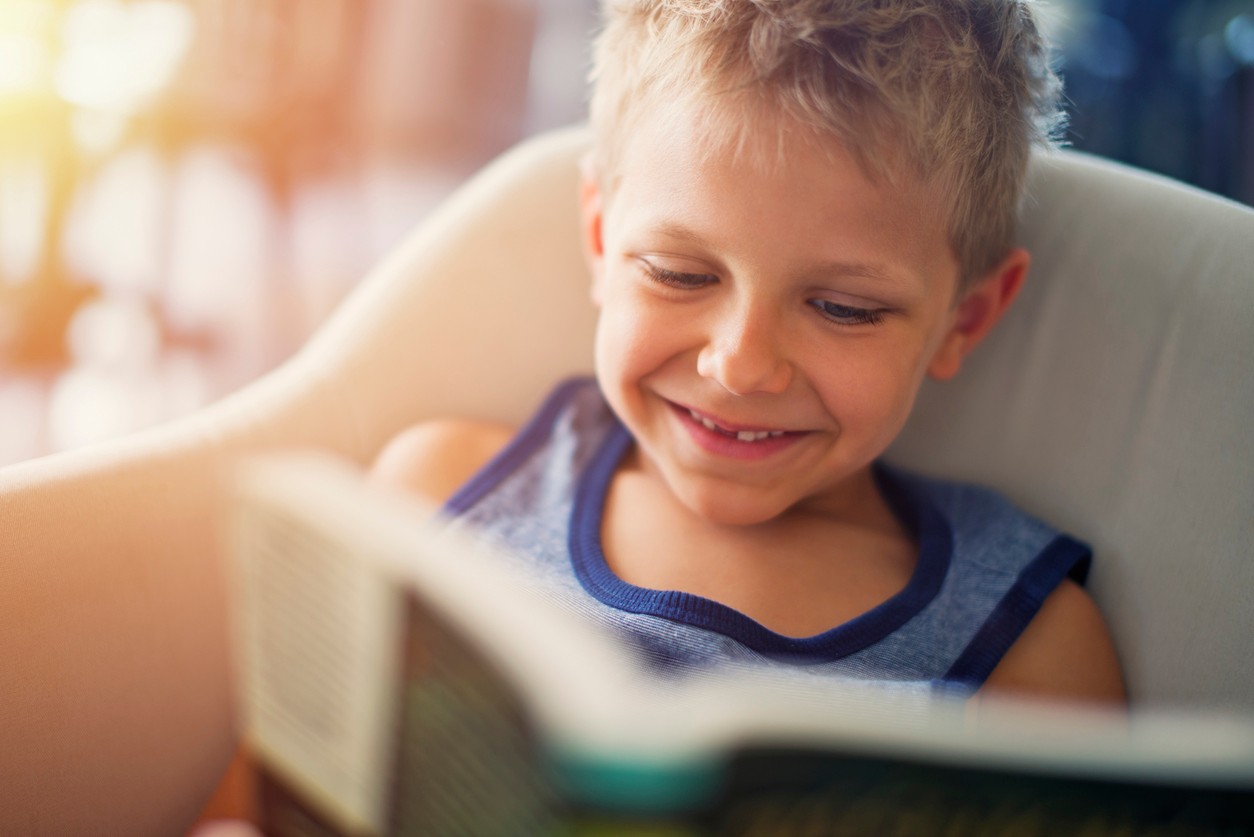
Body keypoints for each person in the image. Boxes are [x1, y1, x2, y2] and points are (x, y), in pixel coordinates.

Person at [369, 0, 1127, 706]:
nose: (740, 365)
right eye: (680, 274)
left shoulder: (1033, 653)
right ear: (601, 240)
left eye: (843, 309)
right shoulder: (439, 497)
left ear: (967, 317)